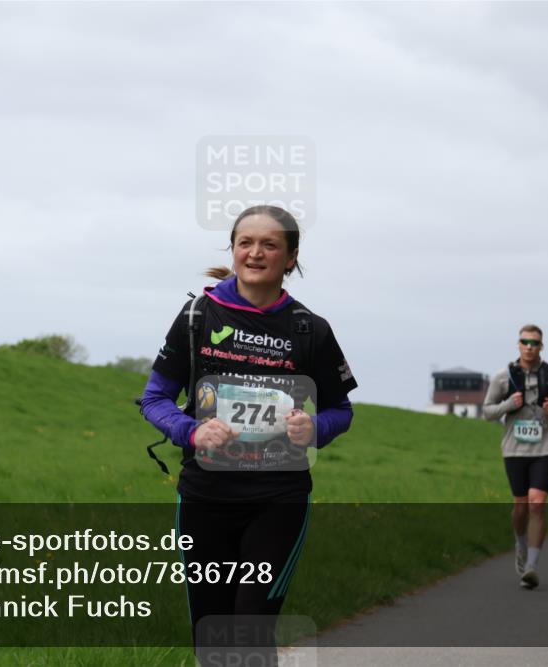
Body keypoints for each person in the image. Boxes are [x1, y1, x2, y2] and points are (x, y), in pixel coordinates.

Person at [139, 205, 358, 665]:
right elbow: (155, 398)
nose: (255, 253)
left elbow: (341, 410)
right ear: (233, 250)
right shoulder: (197, 316)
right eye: (245, 243)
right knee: (210, 631)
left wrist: (315, 428)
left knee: (251, 627)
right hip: (205, 496)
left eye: (270, 245)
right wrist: (190, 431)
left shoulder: (310, 330)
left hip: (277, 498)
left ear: (291, 257)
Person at [483, 324, 548, 590]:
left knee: (538, 504)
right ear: (518, 344)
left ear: (541, 346)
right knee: (521, 506)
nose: (529, 347)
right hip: (515, 449)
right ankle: (520, 542)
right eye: (525, 342)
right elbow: (488, 412)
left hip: (545, 447)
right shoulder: (503, 377)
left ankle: (532, 566)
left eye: (535, 343)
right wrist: (508, 405)